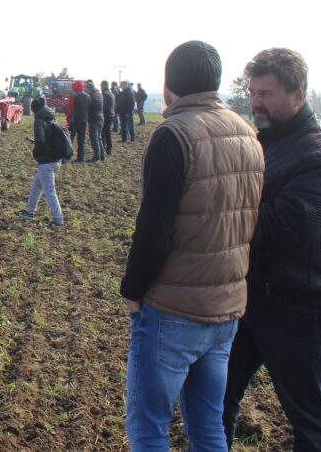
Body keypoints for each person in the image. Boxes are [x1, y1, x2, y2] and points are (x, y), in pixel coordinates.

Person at [120, 40, 263, 451]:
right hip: (226, 312)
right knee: (208, 427)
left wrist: (133, 291)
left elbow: (154, 230)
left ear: (168, 86)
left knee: (149, 428)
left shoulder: (173, 135)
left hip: (172, 312)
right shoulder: (248, 134)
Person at [223, 48, 321, 449]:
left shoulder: (315, 156)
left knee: (311, 420)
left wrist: (225, 204)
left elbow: (289, 226)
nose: (256, 101)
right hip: (250, 302)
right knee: (215, 400)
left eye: (267, 93)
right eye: (253, 92)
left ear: (298, 96)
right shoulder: (264, 144)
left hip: (297, 309)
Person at [18, 97, 65, 226]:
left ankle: (58, 219)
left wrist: (36, 151)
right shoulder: (51, 117)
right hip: (55, 159)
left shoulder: (39, 120)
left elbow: (41, 141)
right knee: (36, 185)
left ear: (34, 109)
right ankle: (30, 211)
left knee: (50, 192)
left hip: (47, 162)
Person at [68, 80, 89, 162]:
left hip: (74, 120)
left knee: (70, 139)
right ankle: (81, 158)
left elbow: (70, 108)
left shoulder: (73, 95)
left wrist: (68, 118)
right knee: (81, 140)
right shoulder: (87, 95)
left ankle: (67, 156)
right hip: (84, 120)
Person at [85, 80, 106, 162]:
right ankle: (102, 155)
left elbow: (88, 108)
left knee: (94, 139)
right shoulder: (100, 95)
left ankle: (97, 156)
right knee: (99, 138)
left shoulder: (91, 96)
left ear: (89, 89)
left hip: (94, 118)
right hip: (101, 118)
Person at [100, 80, 114, 157]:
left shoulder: (105, 94)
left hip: (106, 115)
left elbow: (103, 106)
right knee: (107, 132)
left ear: (103, 86)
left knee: (103, 132)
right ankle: (109, 148)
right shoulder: (111, 94)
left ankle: (105, 148)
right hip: (111, 114)